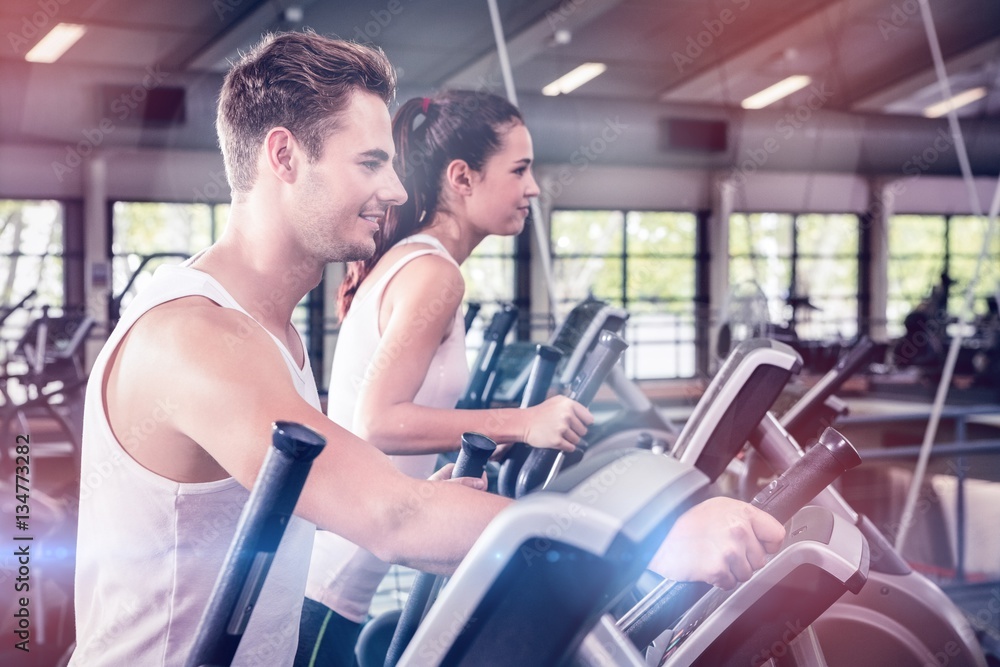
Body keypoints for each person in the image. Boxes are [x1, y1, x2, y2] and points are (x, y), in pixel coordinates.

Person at [70, 30, 784, 667]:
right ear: (284, 155)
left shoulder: (273, 331)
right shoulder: (200, 337)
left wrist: (427, 498)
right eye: (371, 162)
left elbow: (353, 494)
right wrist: (648, 542)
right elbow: (392, 516)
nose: (393, 187)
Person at [299, 90, 594, 664]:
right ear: (462, 176)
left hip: (340, 577)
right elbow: (378, 421)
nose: (533, 188)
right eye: (520, 170)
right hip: (324, 590)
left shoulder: (418, 263)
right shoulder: (433, 273)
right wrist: (524, 424)